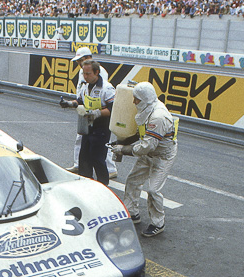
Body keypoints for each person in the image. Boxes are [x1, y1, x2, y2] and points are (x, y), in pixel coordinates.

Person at [111, 82, 178, 238]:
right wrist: (124, 141)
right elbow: (142, 132)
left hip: (162, 156)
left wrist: (123, 149)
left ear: (144, 99)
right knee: (133, 180)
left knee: (153, 190)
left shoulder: (158, 117)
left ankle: (158, 223)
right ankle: (132, 213)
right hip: (149, 153)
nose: (134, 102)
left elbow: (147, 146)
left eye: (136, 99)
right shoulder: (147, 108)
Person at [61, 60, 115, 186]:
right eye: (84, 74)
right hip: (87, 126)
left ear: (96, 72)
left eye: (88, 74)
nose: (85, 76)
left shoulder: (107, 88)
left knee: (97, 158)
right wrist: (69, 104)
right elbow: (80, 101)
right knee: (84, 157)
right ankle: (86, 183)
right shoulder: (85, 86)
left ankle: (103, 185)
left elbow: (113, 110)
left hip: (101, 128)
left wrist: (98, 113)